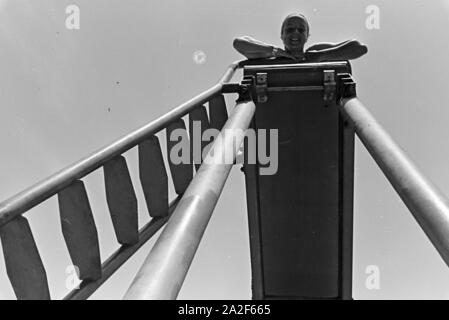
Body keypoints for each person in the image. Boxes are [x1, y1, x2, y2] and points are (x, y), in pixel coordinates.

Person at [233, 13, 368, 62]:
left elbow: (359, 48)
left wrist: (321, 56)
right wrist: (275, 51)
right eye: (290, 29)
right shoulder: (271, 56)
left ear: (307, 36)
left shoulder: (315, 51)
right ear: (282, 35)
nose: (295, 33)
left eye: (301, 29)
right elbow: (239, 43)